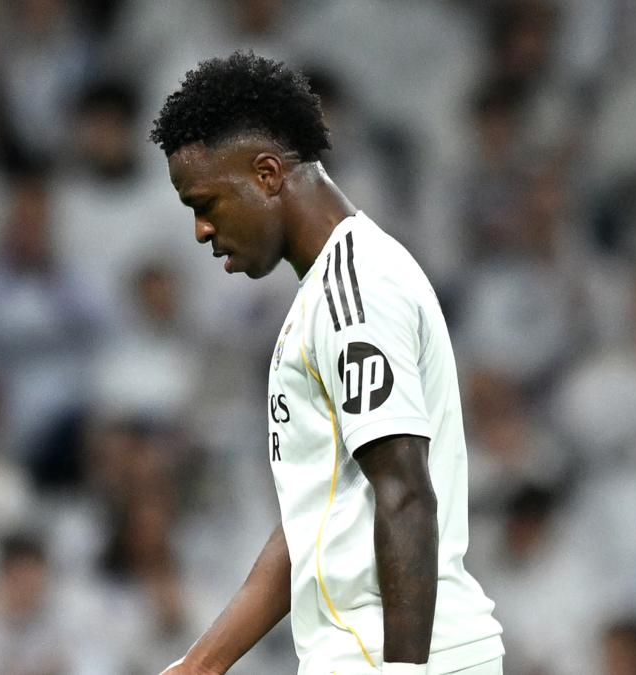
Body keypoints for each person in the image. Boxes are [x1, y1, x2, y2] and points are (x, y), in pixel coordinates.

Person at [150, 52, 504, 675]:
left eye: (205, 203)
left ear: (266, 174)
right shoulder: (329, 292)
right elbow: (317, 520)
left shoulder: (354, 291)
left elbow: (404, 492)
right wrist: (201, 664)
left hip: (392, 657)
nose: (201, 230)